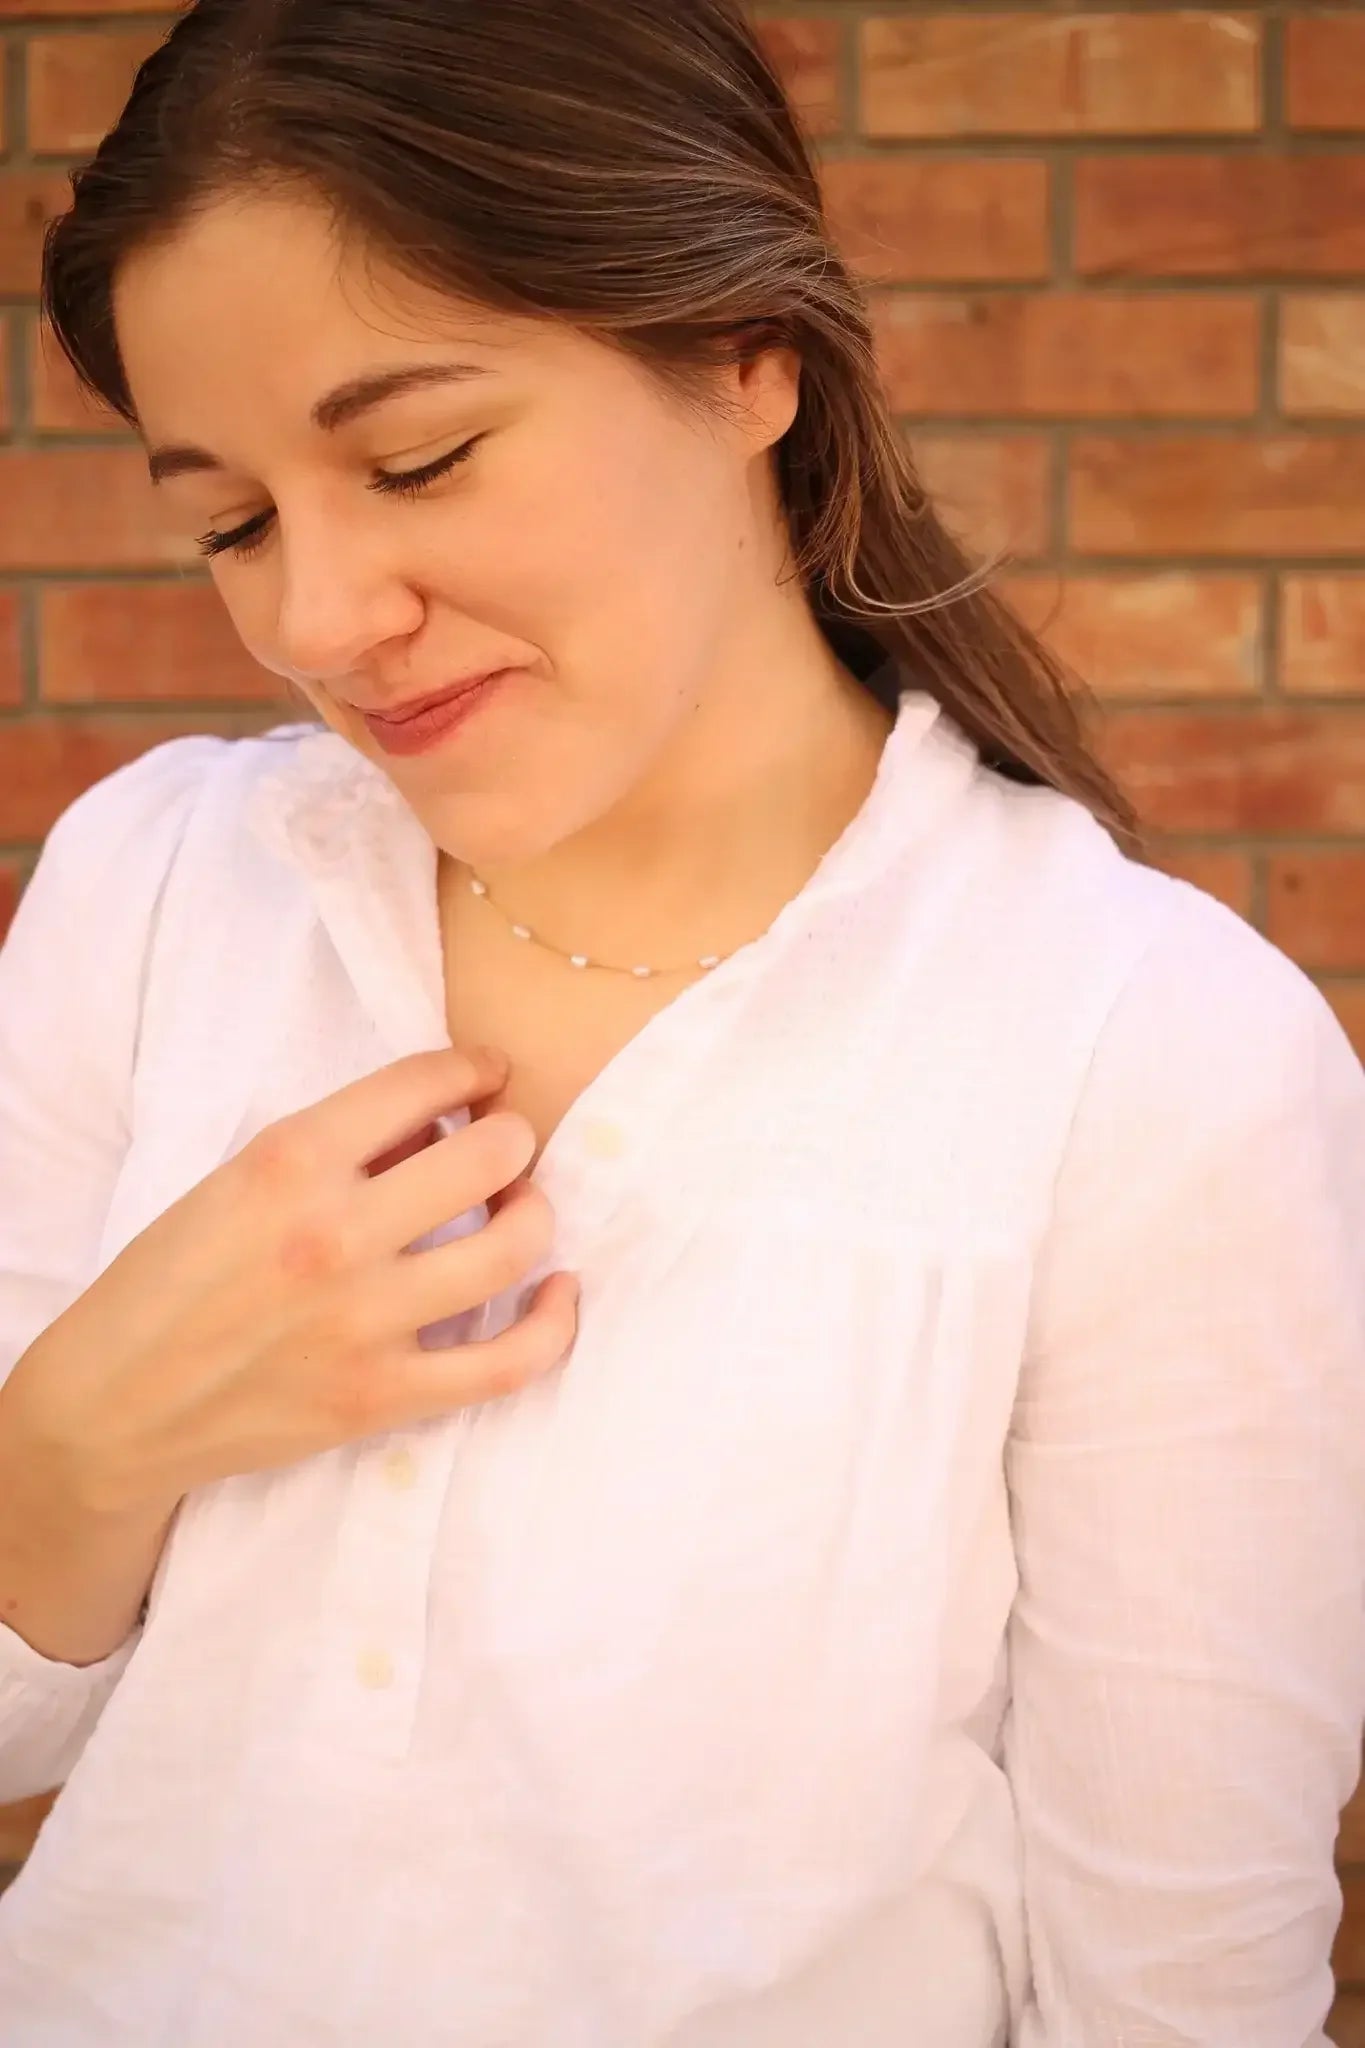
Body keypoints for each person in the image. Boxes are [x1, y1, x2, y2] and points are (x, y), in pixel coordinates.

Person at [0, 1, 1362, 2041]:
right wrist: (82, 1441)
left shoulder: (1142, 1053)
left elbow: (1172, 1991)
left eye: (416, 457)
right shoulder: (160, 886)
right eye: (235, 520)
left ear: (746, 362)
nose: (317, 614)